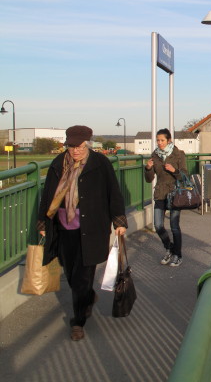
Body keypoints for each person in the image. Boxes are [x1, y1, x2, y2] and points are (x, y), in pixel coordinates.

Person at [37, 125, 127, 341]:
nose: (75, 151)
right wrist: (42, 222)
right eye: (71, 146)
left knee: (83, 276)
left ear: (87, 143)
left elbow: (113, 192)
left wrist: (119, 220)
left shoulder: (100, 163)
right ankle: (87, 298)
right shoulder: (59, 163)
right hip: (63, 227)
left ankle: (78, 321)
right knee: (69, 272)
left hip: (92, 227)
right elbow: (48, 193)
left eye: (78, 146)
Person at [144, 128, 186, 268]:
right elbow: (149, 180)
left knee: (174, 226)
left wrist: (175, 171)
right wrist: (148, 168)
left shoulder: (178, 154)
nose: (159, 143)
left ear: (169, 140)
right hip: (160, 193)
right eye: (158, 140)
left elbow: (185, 176)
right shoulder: (155, 155)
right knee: (158, 225)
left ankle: (178, 255)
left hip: (175, 193)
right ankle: (170, 248)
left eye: (162, 140)